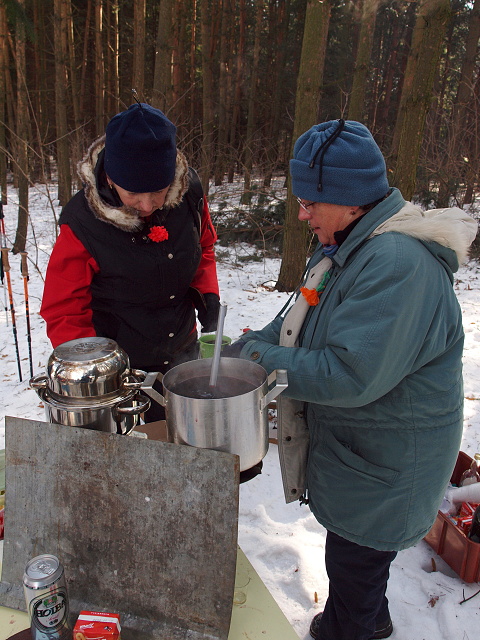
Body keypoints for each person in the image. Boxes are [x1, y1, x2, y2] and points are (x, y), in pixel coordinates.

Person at [222, 119, 478, 640]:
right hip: (364, 452)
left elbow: (348, 374)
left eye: (310, 201)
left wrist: (260, 360)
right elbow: (300, 316)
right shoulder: (349, 244)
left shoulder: (396, 263)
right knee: (356, 563)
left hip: (387, 462)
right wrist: (247, 348)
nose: (302, 213)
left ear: (350, 198)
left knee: (355, 562)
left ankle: (353, 629)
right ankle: (367, 617)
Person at [41, 103, 220, 421]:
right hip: (120, 377)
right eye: (134, 194)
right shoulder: (82, 224)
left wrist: (208, 294)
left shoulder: (189, 194)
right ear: (111, 178)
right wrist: (91, 374)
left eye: (159, 191)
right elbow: (64, 310)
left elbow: (204, 248)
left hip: (182, 355)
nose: (148, 205)